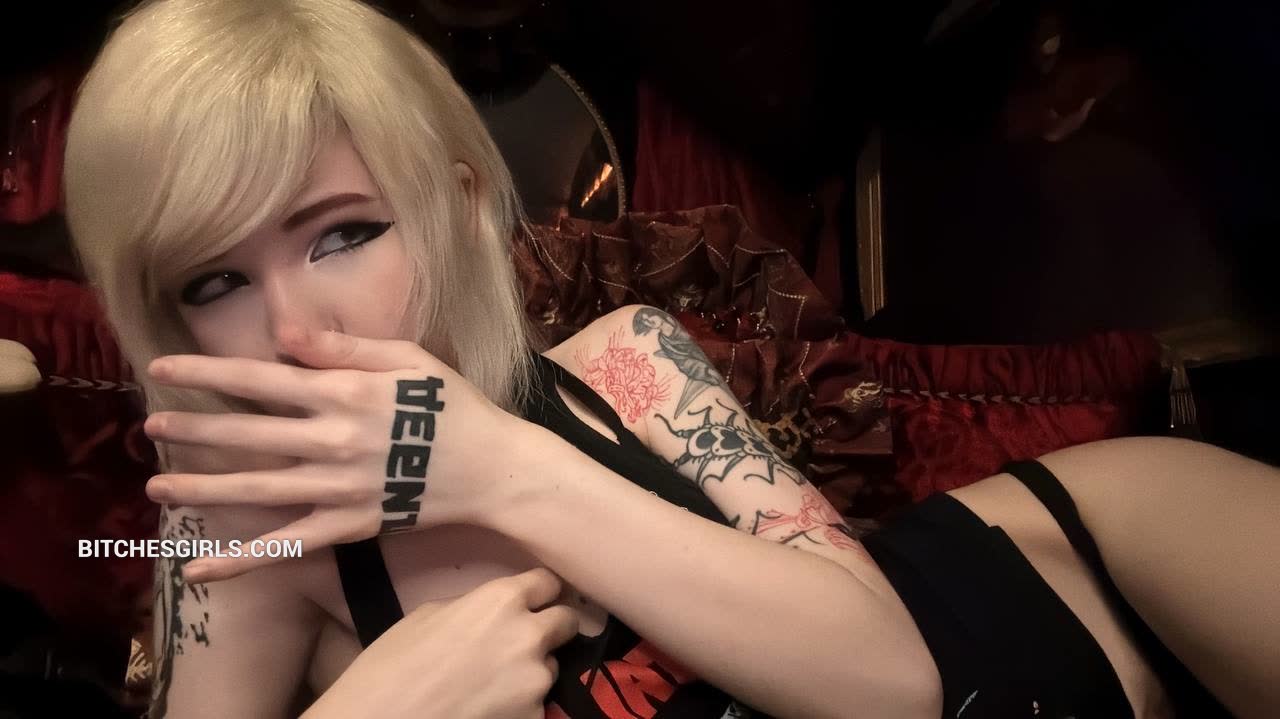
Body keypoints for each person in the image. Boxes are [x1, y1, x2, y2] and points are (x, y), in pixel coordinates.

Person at [61, 1, 1278, 717]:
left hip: (1090, 549)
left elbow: (898, 680)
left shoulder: (629, 359)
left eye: (342, 233)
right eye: (213, 281)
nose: (291, 327)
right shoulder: (244, 536)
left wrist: (500, 470)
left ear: (460, 207)